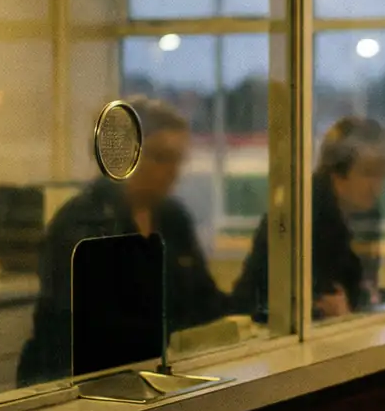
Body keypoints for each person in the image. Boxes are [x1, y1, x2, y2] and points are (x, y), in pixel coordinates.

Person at [18, 97, 235, 385]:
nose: (173, 171)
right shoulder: (82, 222)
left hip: (154, 375)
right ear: (125, 156)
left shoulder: (172, 218)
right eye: (160, 157)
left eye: (178, 159)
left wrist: (262, 312)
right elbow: (86, 329)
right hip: (77, 384)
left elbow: (204, 301)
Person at [232, 116, 385, 321]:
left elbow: (362, 289)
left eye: (383, 174)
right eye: (368, 174)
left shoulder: (367, 212)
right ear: (337, 171)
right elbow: (315, 300)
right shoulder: (303, 210)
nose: (377, 186)